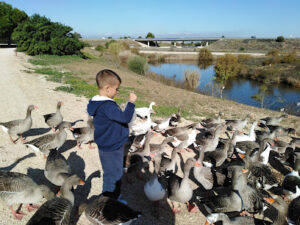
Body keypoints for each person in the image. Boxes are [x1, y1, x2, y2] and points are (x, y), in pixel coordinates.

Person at [87, 69, 137, 199]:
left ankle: (111, 197)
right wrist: (131, 103)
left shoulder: (97, 103)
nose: (117, 91)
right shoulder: (108, 106)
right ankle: (109, 201)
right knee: (113, 174)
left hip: (106, 144)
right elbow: (125, 118)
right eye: (117, 89)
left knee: (112, 171)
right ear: (108, 88)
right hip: (112, 146)